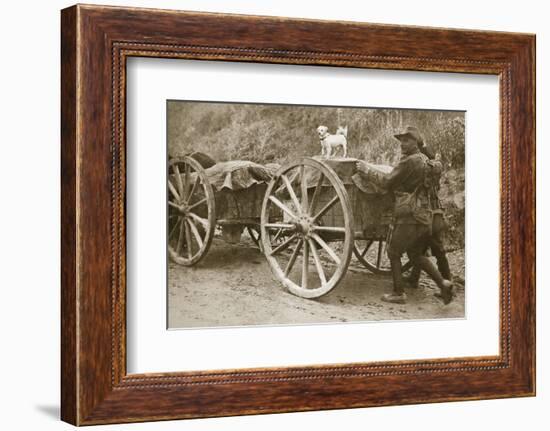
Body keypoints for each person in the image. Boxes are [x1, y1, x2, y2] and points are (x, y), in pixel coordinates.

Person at [356, 126, 453, 305]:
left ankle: (398, 293)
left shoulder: (409, 162)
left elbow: (386, 182)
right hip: (425, 215)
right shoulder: (426, 160)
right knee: (416, 254)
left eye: (406, 140)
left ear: (416, 142)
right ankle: (443, 284)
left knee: (393, 251)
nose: (402, 144)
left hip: (409, 215)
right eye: (401, 140)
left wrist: (366, 171)